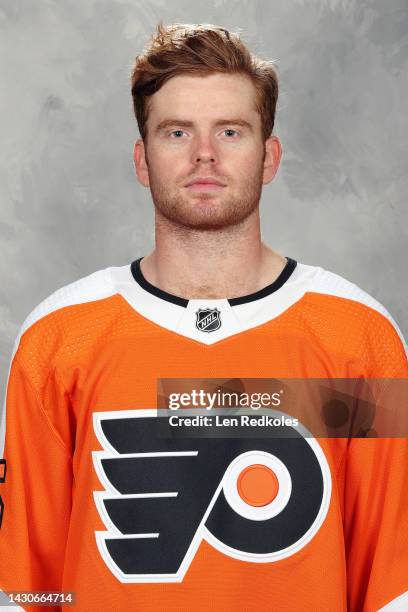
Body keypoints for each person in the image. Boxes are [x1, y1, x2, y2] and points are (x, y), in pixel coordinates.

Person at [0, 21, 407, 612]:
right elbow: (26, 586)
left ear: (269, 157)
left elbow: (391, 584)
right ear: (142, 160)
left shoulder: (360, 337)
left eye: (231, 131)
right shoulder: (58, 339)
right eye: (176, 132)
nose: (204, 154)